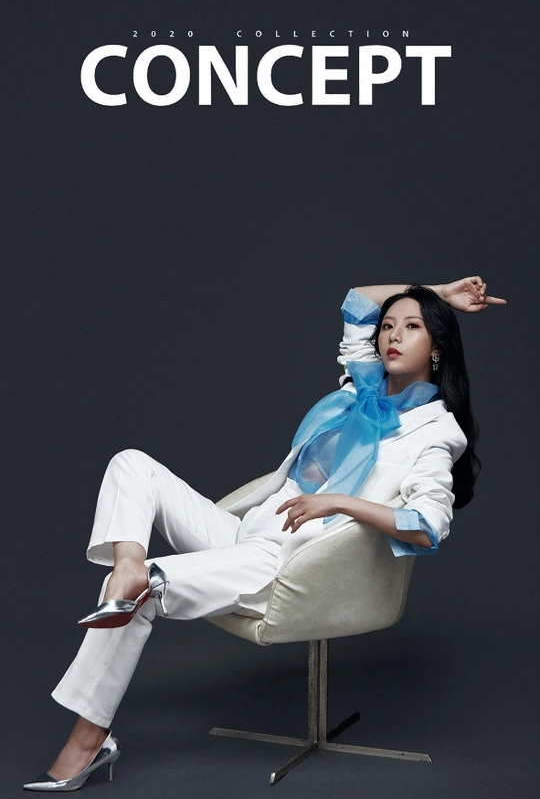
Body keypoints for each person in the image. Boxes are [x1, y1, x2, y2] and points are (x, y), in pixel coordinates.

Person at [23, 275, 506, 791]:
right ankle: (126, 566)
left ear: (437, 348)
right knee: (131, 464)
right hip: (245, 531)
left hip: (282, 561)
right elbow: (358, 300)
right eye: (388, 325)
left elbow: (427, 526)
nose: (392, 334)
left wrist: (338, 502)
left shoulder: (435, 432)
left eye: (412, 327)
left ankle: (88, 741)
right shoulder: (359, 389)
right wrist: (436, 294)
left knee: (143, 590)